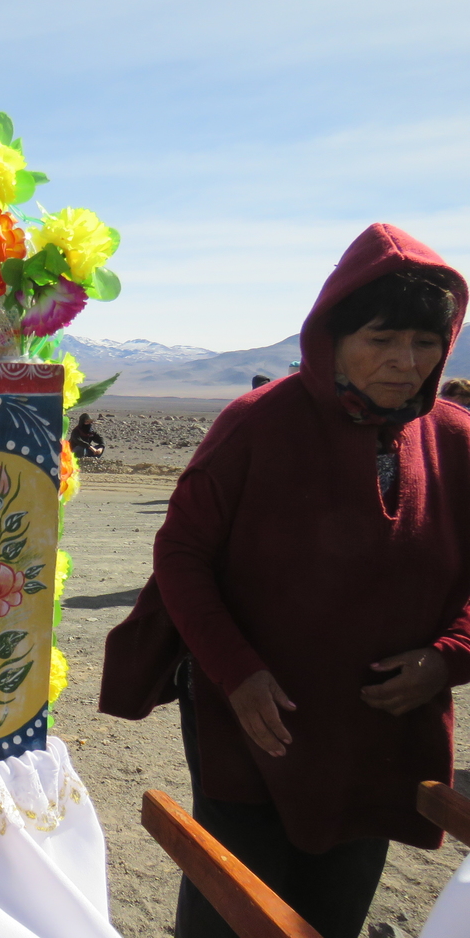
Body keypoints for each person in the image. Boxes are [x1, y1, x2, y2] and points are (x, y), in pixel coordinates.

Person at [99, 224, 470, 938]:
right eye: (380, 339)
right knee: (230, 902)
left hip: (377, 732)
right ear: (332, 336)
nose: (404, 362)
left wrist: (448, 658)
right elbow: (181, 555)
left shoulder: (455, 442)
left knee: (335, 903)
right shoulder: (255, 427)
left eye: (425, 344)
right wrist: (237, 674)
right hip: (256, 723)